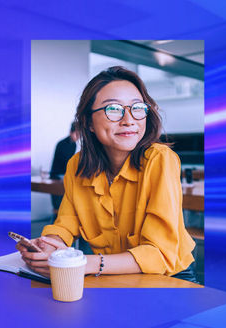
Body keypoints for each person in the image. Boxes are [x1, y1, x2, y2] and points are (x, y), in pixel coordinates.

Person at [17, 66, 196, 282]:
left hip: (166, 277)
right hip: (109, 275)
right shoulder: (77, 164)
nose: (129, 119)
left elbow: (158, 253)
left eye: (137, 108)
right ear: (88, 122)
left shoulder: (160, 160)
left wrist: (84, 262)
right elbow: (65, 222)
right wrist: (48, 244)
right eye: (113, 109)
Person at [49, 122, 79, 212]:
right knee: (58, 206)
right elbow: (66, 162)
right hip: (57, 176)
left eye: (80, 134)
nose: (79, 137)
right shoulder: (61, 144)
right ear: (70, 132)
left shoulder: (74, 145)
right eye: (77, 134)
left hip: (65, 176)